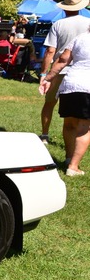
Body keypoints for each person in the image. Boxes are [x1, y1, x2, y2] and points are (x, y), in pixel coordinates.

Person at [38, 0, 90, 144]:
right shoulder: (88, 23)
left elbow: (50, 51)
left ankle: (45, 135)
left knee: (49, 103)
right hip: (81, 72)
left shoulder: (58, 24)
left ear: (64, 7)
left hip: (60, 69)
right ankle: (76, 142)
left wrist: (44, 74)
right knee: (76, 112)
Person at [40, 28, 90, 176]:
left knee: (69, 124)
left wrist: (48, 78)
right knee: (84, 128)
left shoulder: (80, 37)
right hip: (87, 87)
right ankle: (73, 167)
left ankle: (68, 158)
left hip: (70, 84)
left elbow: (62, 60)